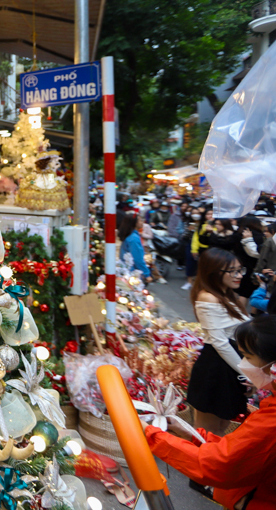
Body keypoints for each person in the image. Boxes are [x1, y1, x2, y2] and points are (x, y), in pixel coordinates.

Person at [145, 315, 276, 509]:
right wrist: (193, 435)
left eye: (248, 357)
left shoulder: (271, 418)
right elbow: (242, 451)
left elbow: (221, 463)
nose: (243, 364)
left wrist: (150, 434)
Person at [185, 248, 250, 437]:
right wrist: (249, 372)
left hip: (229, 366)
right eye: (233, 271)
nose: (239, 276)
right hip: (215, 369)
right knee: (207, 434)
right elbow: (219, 343)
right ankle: (200, 466)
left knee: (221, 430)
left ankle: (211, 466)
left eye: (240, 270)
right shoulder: (208, 297)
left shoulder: (228, 295)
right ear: (214, 272)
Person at [234, 216, 267, 303]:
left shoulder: (237, 234)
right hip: (253, 266)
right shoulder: (260, 237)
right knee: (246, 293)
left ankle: (232, 310)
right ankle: (243, 313)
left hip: (239, 264)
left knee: (236, 289)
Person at [119, 212, 151, 283]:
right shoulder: (134, 238)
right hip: (132, 274)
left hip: (126, 271)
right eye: (140, 220)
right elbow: (137, 259)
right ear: (134, 223)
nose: (142, 221)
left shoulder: (130, 236)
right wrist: (147, 274)